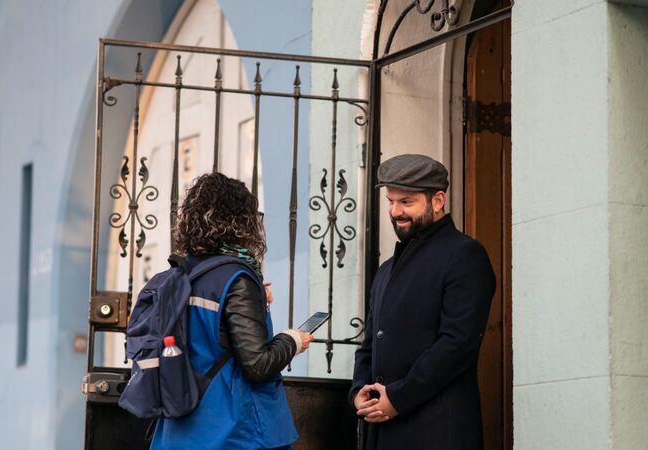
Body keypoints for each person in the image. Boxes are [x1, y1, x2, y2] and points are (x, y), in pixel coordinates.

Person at [151, 172, 313, 450]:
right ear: (242, 221)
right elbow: (258, 364)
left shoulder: (180, 275)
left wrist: (254, 297)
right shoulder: (236, 277)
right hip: (234, 432)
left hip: (178, 430)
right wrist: (293, 340)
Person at [350, 154, 496, 449]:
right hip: (382, 434)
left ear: (438, 201)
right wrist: (358, 392)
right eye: (391, 201)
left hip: (437, 432)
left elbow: (457, 343)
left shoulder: (465, 255)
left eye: (406, 202)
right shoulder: (386, 270)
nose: (395, 211)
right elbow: (370, 343)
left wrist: (399, 397)